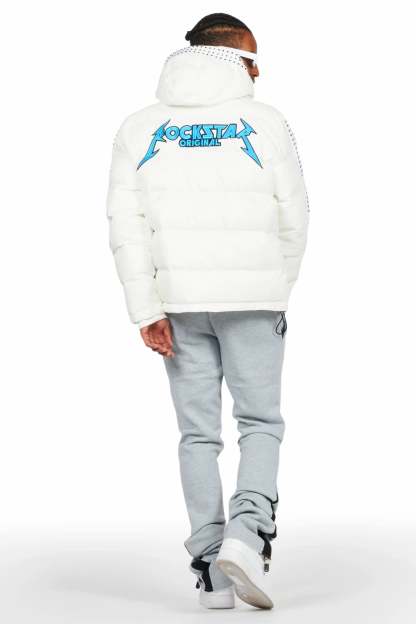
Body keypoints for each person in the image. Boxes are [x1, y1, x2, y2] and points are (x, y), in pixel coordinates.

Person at [106, 12, 309, 610]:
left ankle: (211, 572)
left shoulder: (138, 127)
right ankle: (247, 536)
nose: (258, 71)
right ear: (234, 56)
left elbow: (125, 225)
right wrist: (275, 287)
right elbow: (295, 215)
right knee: (260, 423)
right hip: (254, 302)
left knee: (198, 434)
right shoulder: (266, 123)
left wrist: (146, 309)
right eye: (253, 59)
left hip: (177, 306)